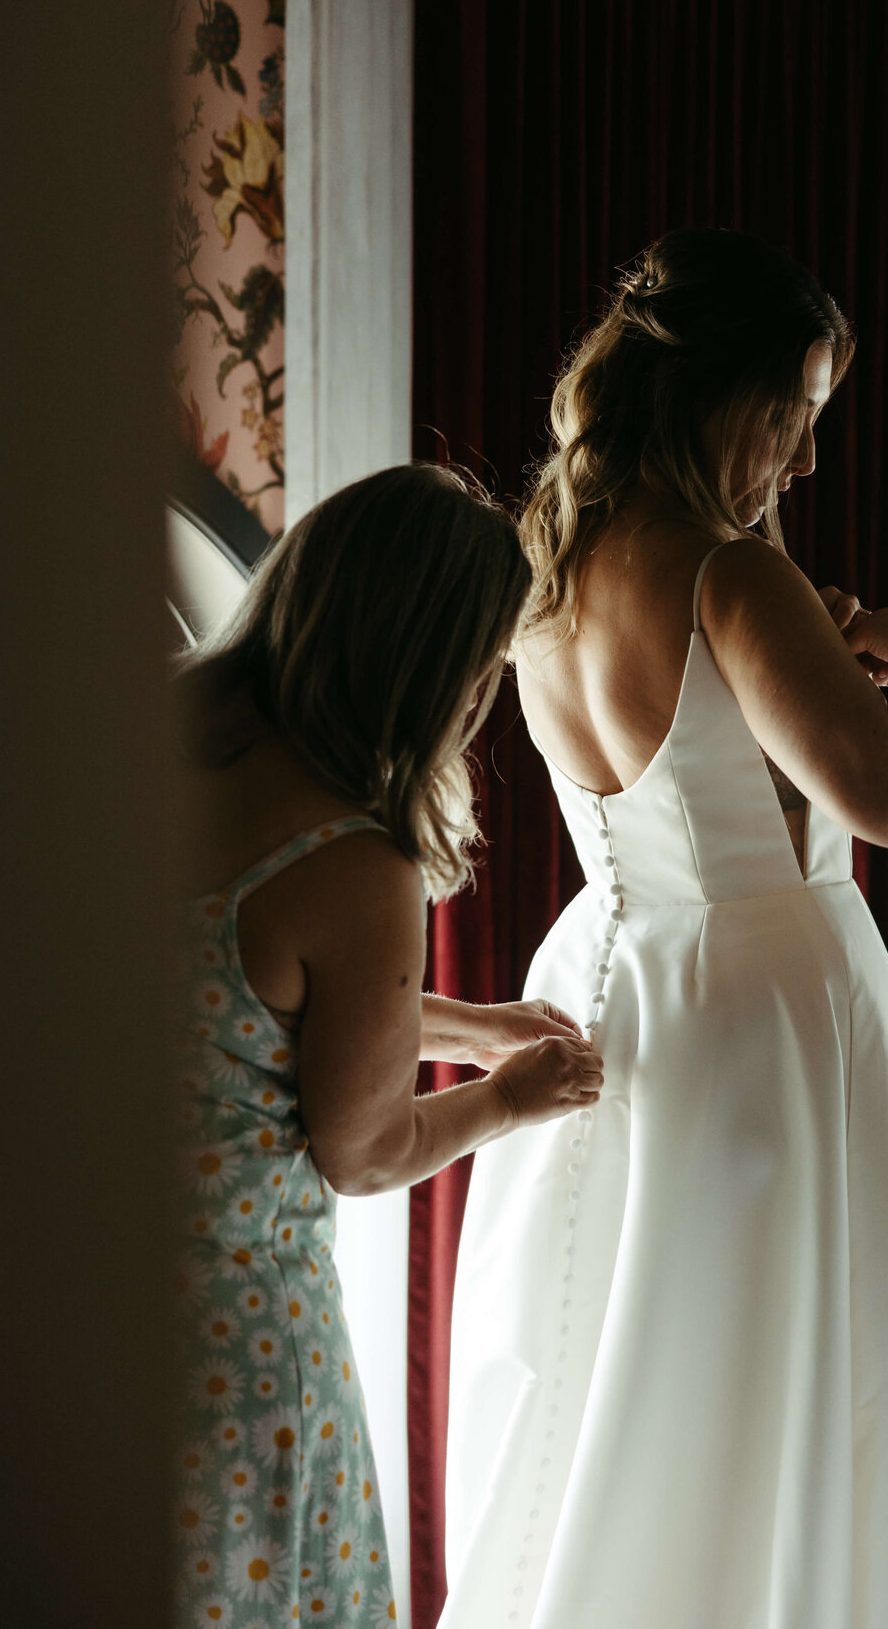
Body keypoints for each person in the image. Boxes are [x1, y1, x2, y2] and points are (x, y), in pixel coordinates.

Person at [441, 230, 888, 1628]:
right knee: (797, 1355)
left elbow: (685, 775)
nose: (808, 460)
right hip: (770, 999)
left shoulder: (548, 577)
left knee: (643, 1356)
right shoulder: (727, 574)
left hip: (612, 979)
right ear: (726, 395)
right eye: (798, 415)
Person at [170, 465, 604, 1629]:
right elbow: (361, 1150)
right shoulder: (354, 862)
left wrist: (467, 1026)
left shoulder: (160, 747)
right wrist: (511, 1097)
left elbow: (250, 1015)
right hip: (238, 1353)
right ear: (434, 673)